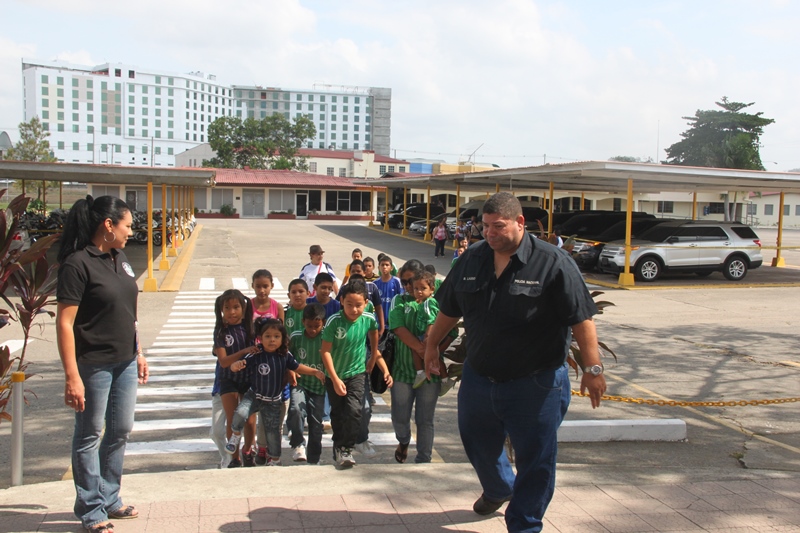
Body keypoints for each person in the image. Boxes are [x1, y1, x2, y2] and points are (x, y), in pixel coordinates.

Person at [423, 192, 607, 532]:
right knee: (476, 442)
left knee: (536, 460)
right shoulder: (473, 258)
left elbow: (582, 318)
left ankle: (524, 524)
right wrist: (432, 345)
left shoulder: (552, 262)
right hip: (480, 378)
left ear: (520, 223)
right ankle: (499, 488)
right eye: (485, 226)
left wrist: (593, 369)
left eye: (498, 226)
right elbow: (449, 307)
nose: (489, 233)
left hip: (535, 383)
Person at [56, 195, 147, 533]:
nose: (130, 232)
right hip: (93, 364)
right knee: (89, 434)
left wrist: (139, 352)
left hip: (125, 361)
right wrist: (72, 376)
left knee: (120, 430)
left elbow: (129, 311)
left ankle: (110, 497)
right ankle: (91, 508)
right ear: (109, 225)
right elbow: (65, 323)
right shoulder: (77, 264)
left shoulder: (119, 257)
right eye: (127, 226)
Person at [226, 318, 325, 466]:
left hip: (273, 402)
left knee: (273, 434)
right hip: (254, 396)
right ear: (260, 338)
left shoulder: (285, 355)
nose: (272, 340)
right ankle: (235, 435)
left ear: (282, 338)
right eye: (268, 336)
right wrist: (235, 366)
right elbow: (240, 364)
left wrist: (315, 372)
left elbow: (297, 367)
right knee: (240, 413)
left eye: (276, 336)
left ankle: (275, 459)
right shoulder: (256, 352)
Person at [321, 279, 392, 468]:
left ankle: (346, 449)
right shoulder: (334, 322)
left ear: (366, 303)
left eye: (358, 305)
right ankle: (338, 445)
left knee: (354, 410)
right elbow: (325, 351)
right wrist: (334, 378)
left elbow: (374, 333)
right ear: (342, 301)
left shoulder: (368, 318)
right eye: (349, 304)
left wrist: (372, 357)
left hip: (357, 373)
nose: (354, 309)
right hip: (334, 374)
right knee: (338, 413)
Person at [388, 260, 446, 464]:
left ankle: (424, 459)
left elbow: (448, 329)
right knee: (399, 418)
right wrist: (423, 350)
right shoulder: (399, 300)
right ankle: (403, 440)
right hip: (402, 372)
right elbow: (398, 328)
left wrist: (432, 352)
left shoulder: (435, 302)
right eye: (404, 283)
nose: (408, 287)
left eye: (411, 282)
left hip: (429, 375)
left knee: (425, 420)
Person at [212, 289, 259, 468]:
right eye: (227, 308)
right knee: (233, 420)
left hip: (249, 378)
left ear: (243, 308)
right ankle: (235, 457)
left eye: (236, 307)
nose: (232, 312)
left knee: (249, 420)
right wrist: (243, 352)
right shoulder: (220, 331)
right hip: (228, 378)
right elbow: (224, 361)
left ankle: (248, 450)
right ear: (221, 309)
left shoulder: (251, 328)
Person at [287, 304, 327, 464]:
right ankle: (298, 444)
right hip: (300, 383)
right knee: (296, 409)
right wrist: (290, 370)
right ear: (303, 322)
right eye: (309, 326)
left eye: (317, 326)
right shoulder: (296, 337)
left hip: (319, 387)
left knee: (316, 424)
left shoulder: (327, 337)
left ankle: (314, 459)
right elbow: (287, 357)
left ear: (323, 323)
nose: (312, 330)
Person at [409, 270, 455, 395]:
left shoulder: (428, 303)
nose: (419, 291)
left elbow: (431, 321)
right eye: (416, 288)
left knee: (417, 349)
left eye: (423, 288)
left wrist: (428, 338)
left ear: (432, 289)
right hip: (429, 335)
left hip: (428, 335)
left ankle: (421, 373)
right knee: (436, 357)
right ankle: (445, 379)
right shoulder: (424, 302)